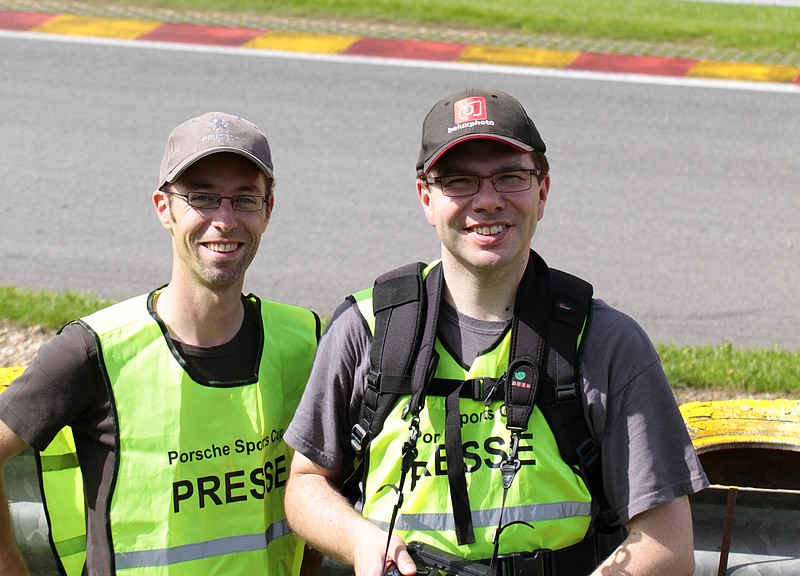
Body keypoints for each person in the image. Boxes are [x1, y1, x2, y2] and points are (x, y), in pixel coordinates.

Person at [283, 88, 708, 576]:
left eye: (510, 177)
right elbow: (305, 484)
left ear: (542, 191)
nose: (487, 201)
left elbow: (669, 544)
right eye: (459, 182)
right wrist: (357, 537)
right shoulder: (368, 328)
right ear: (427, 197)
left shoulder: (605, 342)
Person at [0, 112, 320, 575]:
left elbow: (326, 485)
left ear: (268, 210)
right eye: (202, 198)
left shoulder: (304, 342)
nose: (224, 220)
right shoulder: (95, 351)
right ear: (163, 208)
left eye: (244, 199)